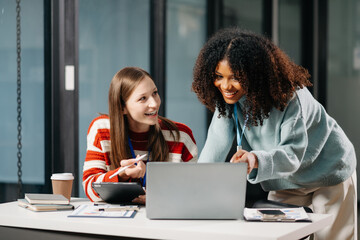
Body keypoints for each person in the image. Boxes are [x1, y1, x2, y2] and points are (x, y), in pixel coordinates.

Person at [192, 27, 357, 240]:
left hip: (328, 170)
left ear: (254, 74)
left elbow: (292, 155)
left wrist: (254, 158)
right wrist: (195, 191)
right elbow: (213, 152)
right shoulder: (229, 104)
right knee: (278, 235)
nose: (225, 86)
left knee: (331, 237)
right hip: (286, 180)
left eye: (234, 77)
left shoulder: (290, 97)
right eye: (218, 76)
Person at [83, 67, 198, 203]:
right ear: (122, 107)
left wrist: (160, 199)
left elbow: (194, 192)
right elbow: (90, 189)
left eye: (155, 93)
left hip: (163, 220)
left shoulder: (180, 136)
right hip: (118, 221)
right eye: (143, 98)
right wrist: (121, 174)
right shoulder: (102, 129)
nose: (154, 104)